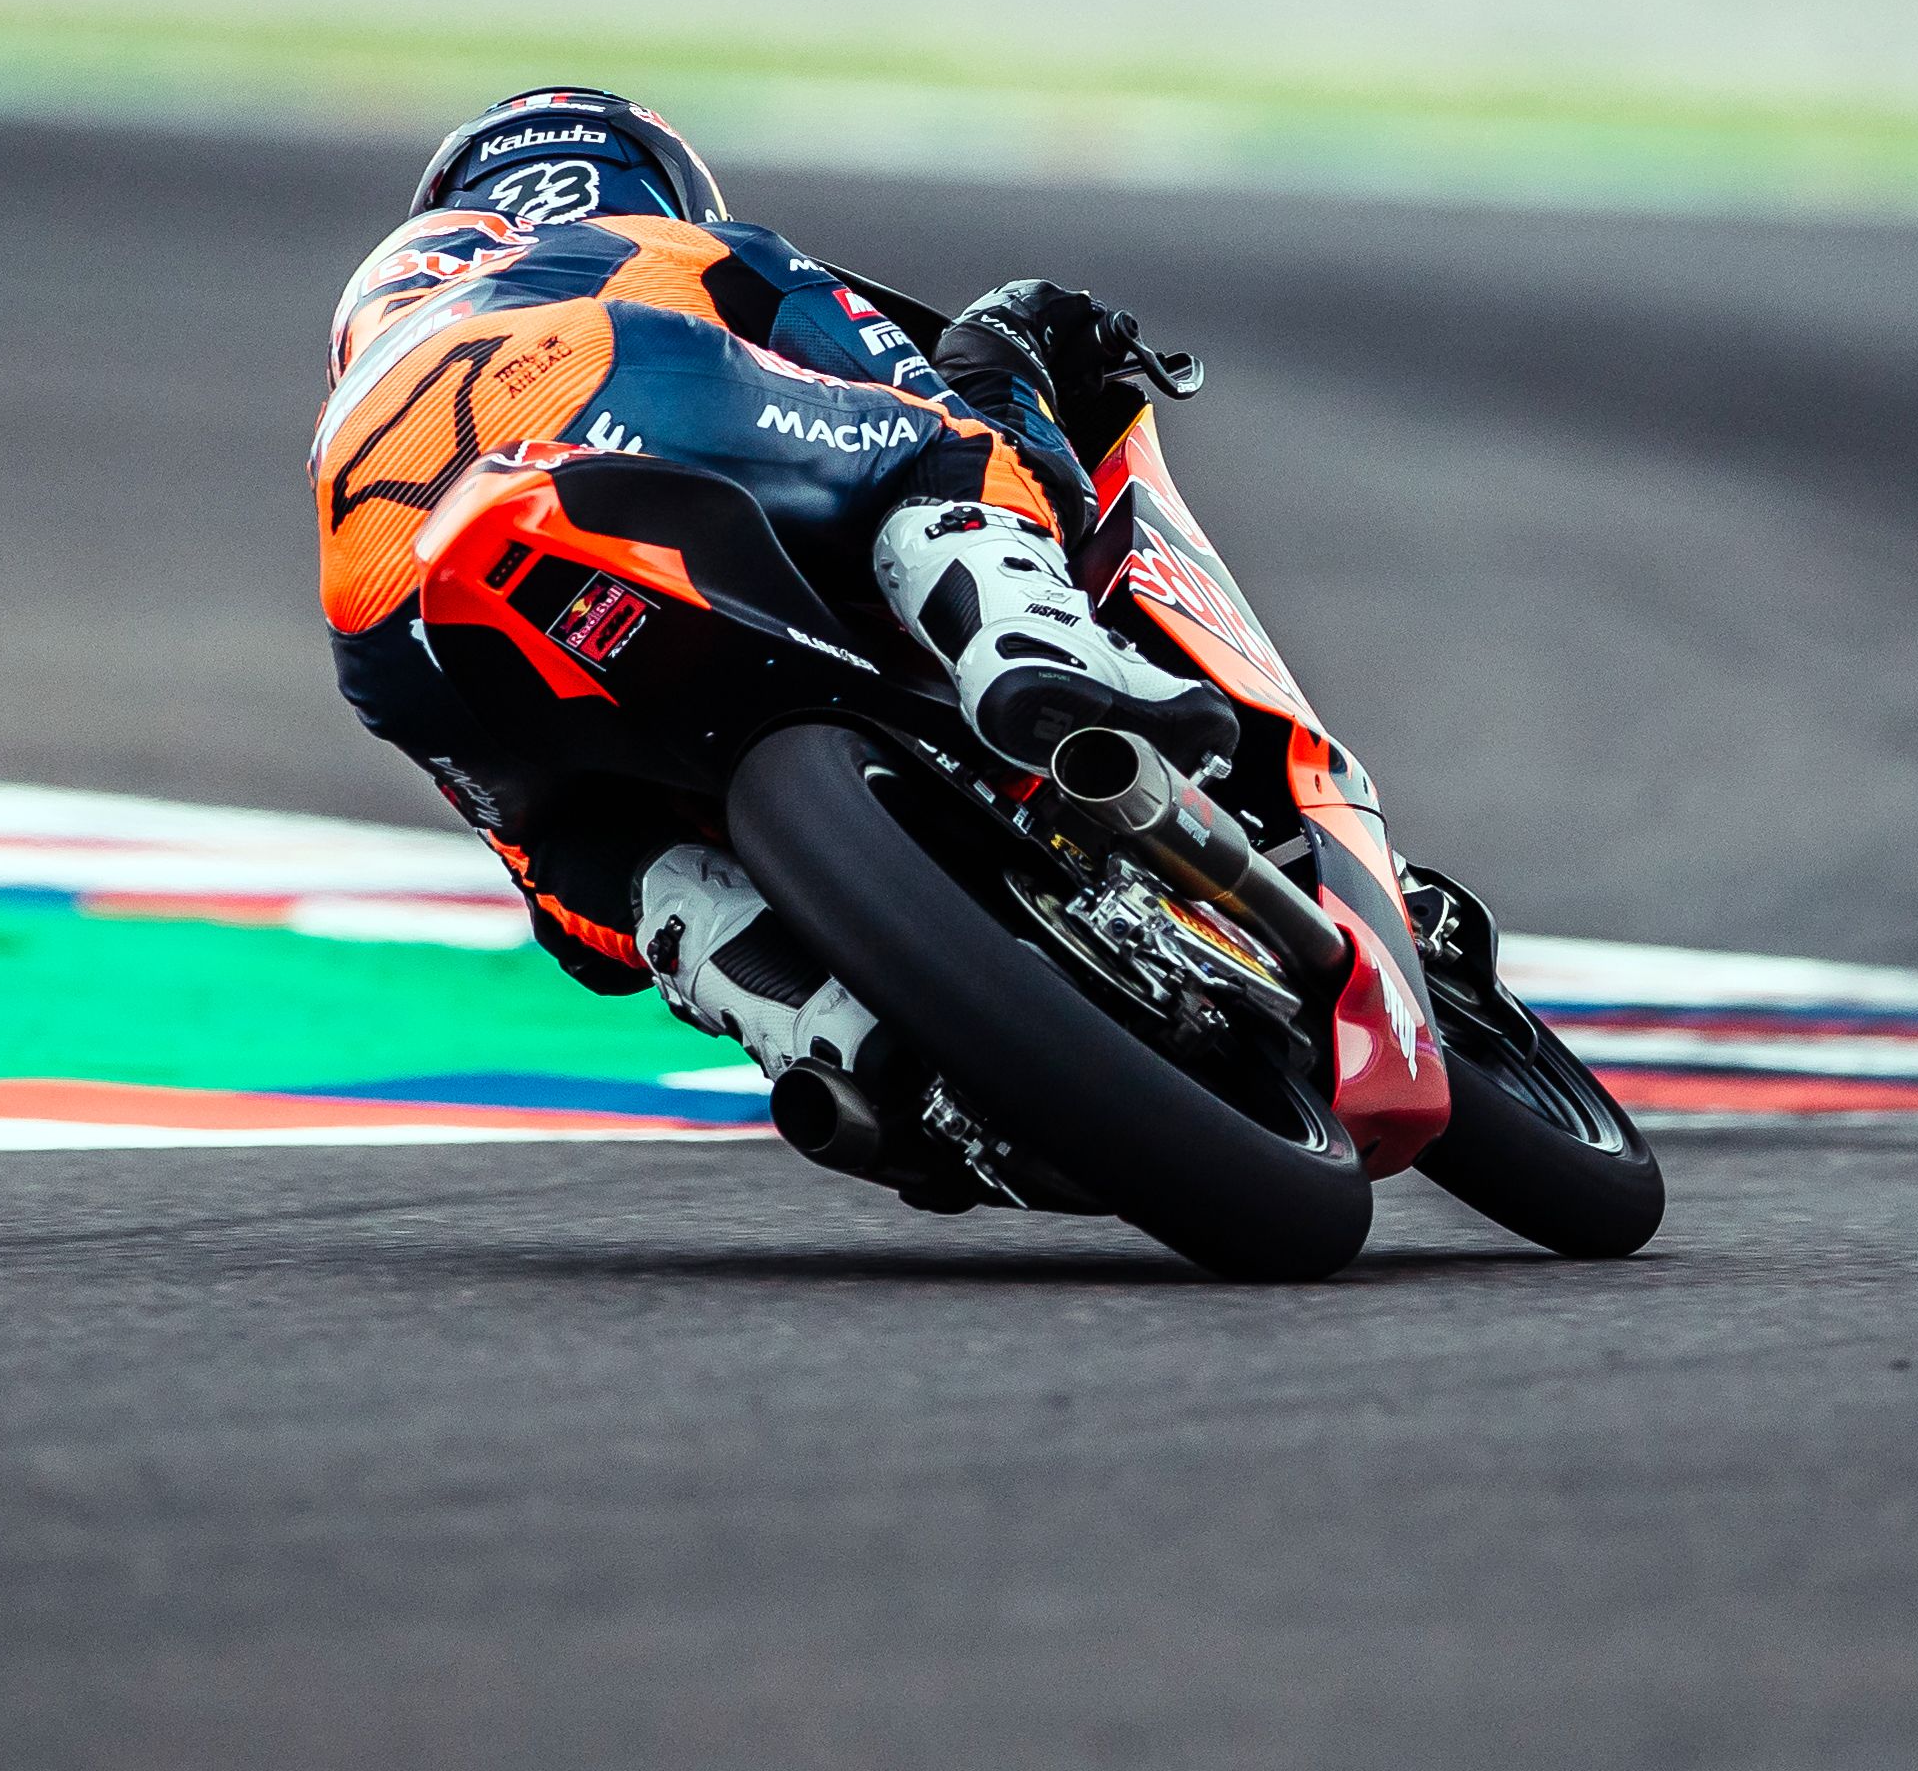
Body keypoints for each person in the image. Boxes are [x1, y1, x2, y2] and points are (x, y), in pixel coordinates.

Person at [312, 87, 1236, 1091]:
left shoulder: (392, 322)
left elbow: (579, 945)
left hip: (374, 590)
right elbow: (913, 392)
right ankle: (1032, 648)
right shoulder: (658, 247)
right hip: (584, 371)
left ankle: (798, 1015)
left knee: (575, 848)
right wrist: (1010, 356)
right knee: (946, 454)